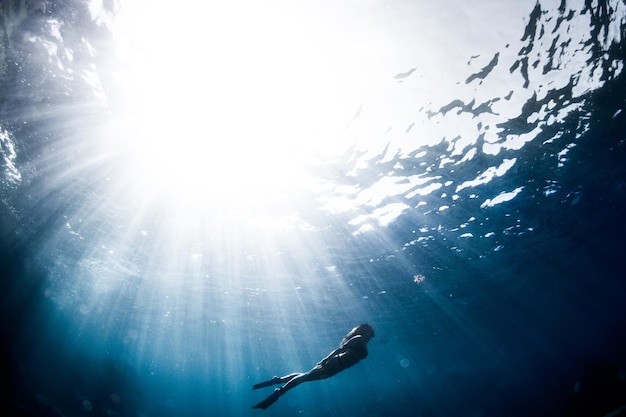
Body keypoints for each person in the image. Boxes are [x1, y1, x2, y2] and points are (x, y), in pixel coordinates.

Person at [251, 324, 375, 409]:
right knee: (305, 377)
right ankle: (278, 392)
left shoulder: (362, 341)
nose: (372, 334)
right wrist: (325, 360)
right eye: (370, 331)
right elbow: (339, 350)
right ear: (364, 330)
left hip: (337, 366)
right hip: (336, 364)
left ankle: (277, 381)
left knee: (305, 376)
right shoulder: (358, 338)